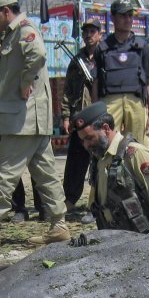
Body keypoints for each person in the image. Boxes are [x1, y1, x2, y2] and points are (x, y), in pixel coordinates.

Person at [0, 0, 69, 249]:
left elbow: (38, 54)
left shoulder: (23, 29)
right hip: (30, 118)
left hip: (24, 119)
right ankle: (59, 225)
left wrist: (24, 82)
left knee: (3, 174)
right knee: (45, 173)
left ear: (5, 10)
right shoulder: (13, 33)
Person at [73, 102, 149, 231]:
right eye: (83, 140)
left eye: (89, 138)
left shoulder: (134, 154)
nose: (86, 145)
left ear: (106, 128)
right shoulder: (99, 160)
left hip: (144, 237)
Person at [93, 0, 149, 146]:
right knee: (108, 145)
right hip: (110, 102)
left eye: (130, 15)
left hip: (135, 102)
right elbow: (96, 82)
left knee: (136, 148)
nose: (128, 19)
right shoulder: (102, 48)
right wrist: (96, 112)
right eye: (123, 15)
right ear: (113, 18)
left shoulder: (142, 47)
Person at [61, 16, 101, 222]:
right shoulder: (77, 61)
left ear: (99, 34)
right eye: (86, 32)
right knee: (75, 160)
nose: (88, 35)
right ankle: (69, 199)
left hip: (100, 119)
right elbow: (68, 90)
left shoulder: (105, 57)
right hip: (80, 118)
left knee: (99, 162)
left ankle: (97, 202)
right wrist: (66, 116)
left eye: (92, 31)